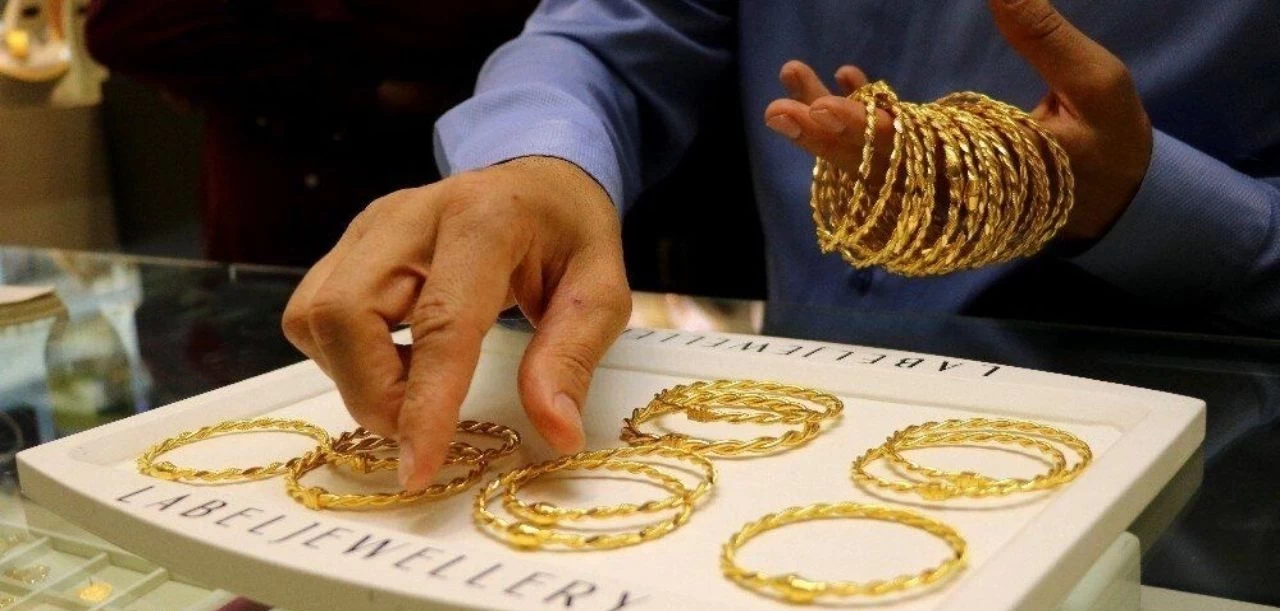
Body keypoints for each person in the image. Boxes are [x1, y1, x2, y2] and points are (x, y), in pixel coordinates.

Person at [280, 0, 1280, 491]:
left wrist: (1154, 203)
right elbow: (612, 28)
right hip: (785, 426)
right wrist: (542, 162)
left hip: (1207, 471)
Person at [85, 0, 537, 266]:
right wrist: (365, 85)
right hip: (266, 218)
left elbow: (503, 26)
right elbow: (126, 29)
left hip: (444, 182)